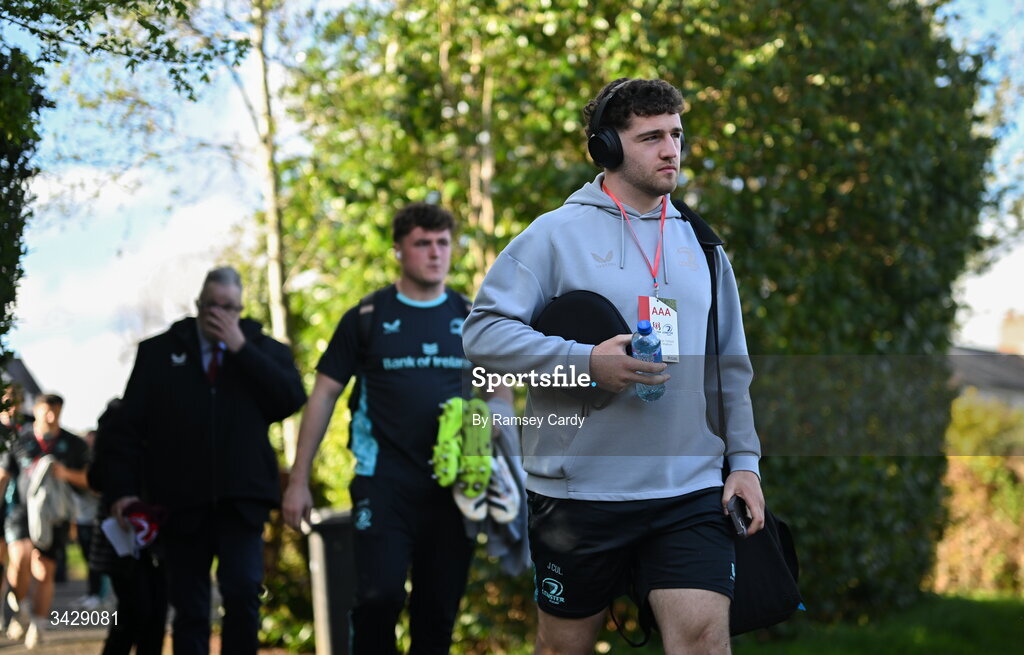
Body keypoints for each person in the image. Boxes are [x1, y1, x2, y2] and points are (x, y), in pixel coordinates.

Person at [462, 77, 766, 655]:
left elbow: (731, 368)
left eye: (676, 134)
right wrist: (582, 363)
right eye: (650, 136)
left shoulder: (703, 245)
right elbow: (482, 334)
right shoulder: (554, 235)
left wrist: (745, 463)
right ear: (606, 146)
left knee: (704, 640)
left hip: (689, 491)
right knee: (563, 649)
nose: (670, 149)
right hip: (580, 499)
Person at [282, 202, 476, 655]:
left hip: (454, 489)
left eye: (442, 242)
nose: (435, 252)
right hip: (383, 483)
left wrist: (490, 443)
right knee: (378, 597)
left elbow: (496, 392)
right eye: (422, 243)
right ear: (398, 251)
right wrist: (298, 480)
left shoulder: (472, 317)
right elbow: (324, 395)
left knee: (438, 613)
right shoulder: (367, 317)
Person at [104, 266, 307, 655]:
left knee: (244, 595)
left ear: (241, 308)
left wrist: (240, 348)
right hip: (181, 504)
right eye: (213, 305)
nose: (221, 315)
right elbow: (125, 430)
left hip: (242, 503)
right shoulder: (159, 353)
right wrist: (124, 492)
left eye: (230, 308)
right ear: (199, 305)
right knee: (191, 610)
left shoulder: (262, 349)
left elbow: (291, 399)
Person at [0, 393, 88, 648]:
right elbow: (4, 474)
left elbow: (88, 480)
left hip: (54, 516)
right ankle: (22, 606)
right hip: (20, 511)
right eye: (47, 411)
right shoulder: (21, 439)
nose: (51, 417)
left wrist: (65, 474)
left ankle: (37, 623)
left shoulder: (73, 444)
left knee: (44, 569)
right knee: (19, 559)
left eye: (56, 412)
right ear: (36, 410)